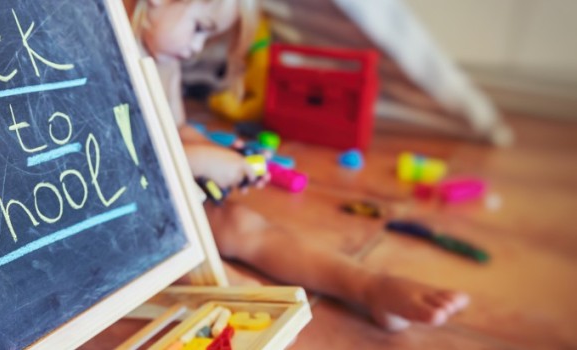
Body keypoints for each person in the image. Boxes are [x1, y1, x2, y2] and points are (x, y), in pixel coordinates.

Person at [125, 0, 471, 331]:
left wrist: (224, 157)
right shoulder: (97, 52)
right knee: (175, 247)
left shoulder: (164, 60)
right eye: (199, 27)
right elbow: (117, 169)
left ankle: (366, 286)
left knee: (243, 224)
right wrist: (202, 159)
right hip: (124, 217)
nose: (195, 48)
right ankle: (226, 284)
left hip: (167, 197)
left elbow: (176, 132)